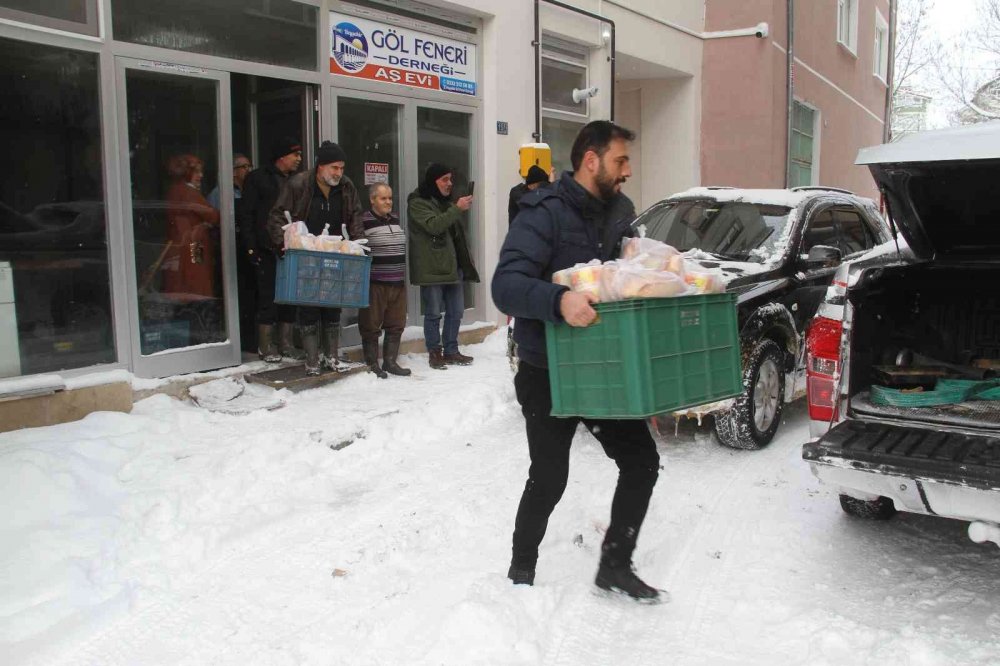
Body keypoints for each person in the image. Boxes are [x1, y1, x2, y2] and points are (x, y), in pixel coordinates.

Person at [491, 120, 662, 602]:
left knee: (641, 462)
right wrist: (558, 300)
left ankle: (615, 566)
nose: (627, 170)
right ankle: (521, 572)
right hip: (549, 370)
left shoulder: (621, 213)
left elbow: (623, 278)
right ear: (591, 159)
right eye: (620, 160)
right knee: (549, 477)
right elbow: (505, 284)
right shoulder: (542, 212)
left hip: (603, 367)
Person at [268, 141, 363, 376]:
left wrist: (357, 244)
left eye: (341, 168)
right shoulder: (299, 183)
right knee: (309, 304)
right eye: (334, 168)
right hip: (307, 252)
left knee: (333, 303)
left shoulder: (347, 186)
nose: (339, 173)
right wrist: (285, 244)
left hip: (334, 251)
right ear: (320, 166)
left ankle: (331, 355)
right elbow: (277, 216)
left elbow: (355, 215)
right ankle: (312, 359)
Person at [407, 163, 480, 370]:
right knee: (433, 313)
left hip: (451, 265)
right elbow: (434, 225)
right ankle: (434, 352)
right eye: (444, 180)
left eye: (450, 179)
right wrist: (457, 209)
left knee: (456, 310)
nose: (450, 184)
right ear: (433, 181)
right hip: (432, 267)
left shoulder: (447, 203)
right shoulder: (418, 202)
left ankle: (451, 350)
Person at [238, 138, 302, 363]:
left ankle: (286, 343)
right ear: (282, 156)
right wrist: (250, 247)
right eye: (295, 155)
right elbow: (246, 215)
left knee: (290, 296)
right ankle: (266, 346)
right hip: (265, 248)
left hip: (292, 247)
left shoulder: (296, 180)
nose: (298, 159)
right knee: (268, 296)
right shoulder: (257, 179)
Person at [356, 183, 409, 379]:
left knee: (396, 324)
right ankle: (371, 363)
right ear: (372, 200)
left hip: (397, 282)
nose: (388, 202)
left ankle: (390, 362)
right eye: (383, 198)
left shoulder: (394, 219)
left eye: (390, 198)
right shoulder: (363, 221)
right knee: (371, 325)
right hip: (375, 282)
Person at [209, 154, 255, 352]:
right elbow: (213, 225)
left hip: (247, 251)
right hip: (228, 252)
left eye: (250, 166)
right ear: (234, 171)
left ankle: (249, 340)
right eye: (245, 167)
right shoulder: (220, 194)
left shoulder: (250, 191)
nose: (249, 170)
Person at [162, 154, 220, 299]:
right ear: (186, 173)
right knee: (197, 277)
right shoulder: (189, 192)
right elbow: (214, 216)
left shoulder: (173, 190)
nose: (200, 176)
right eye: (197, 172)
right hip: (195, 244)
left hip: (180, 243)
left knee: (183, 279)